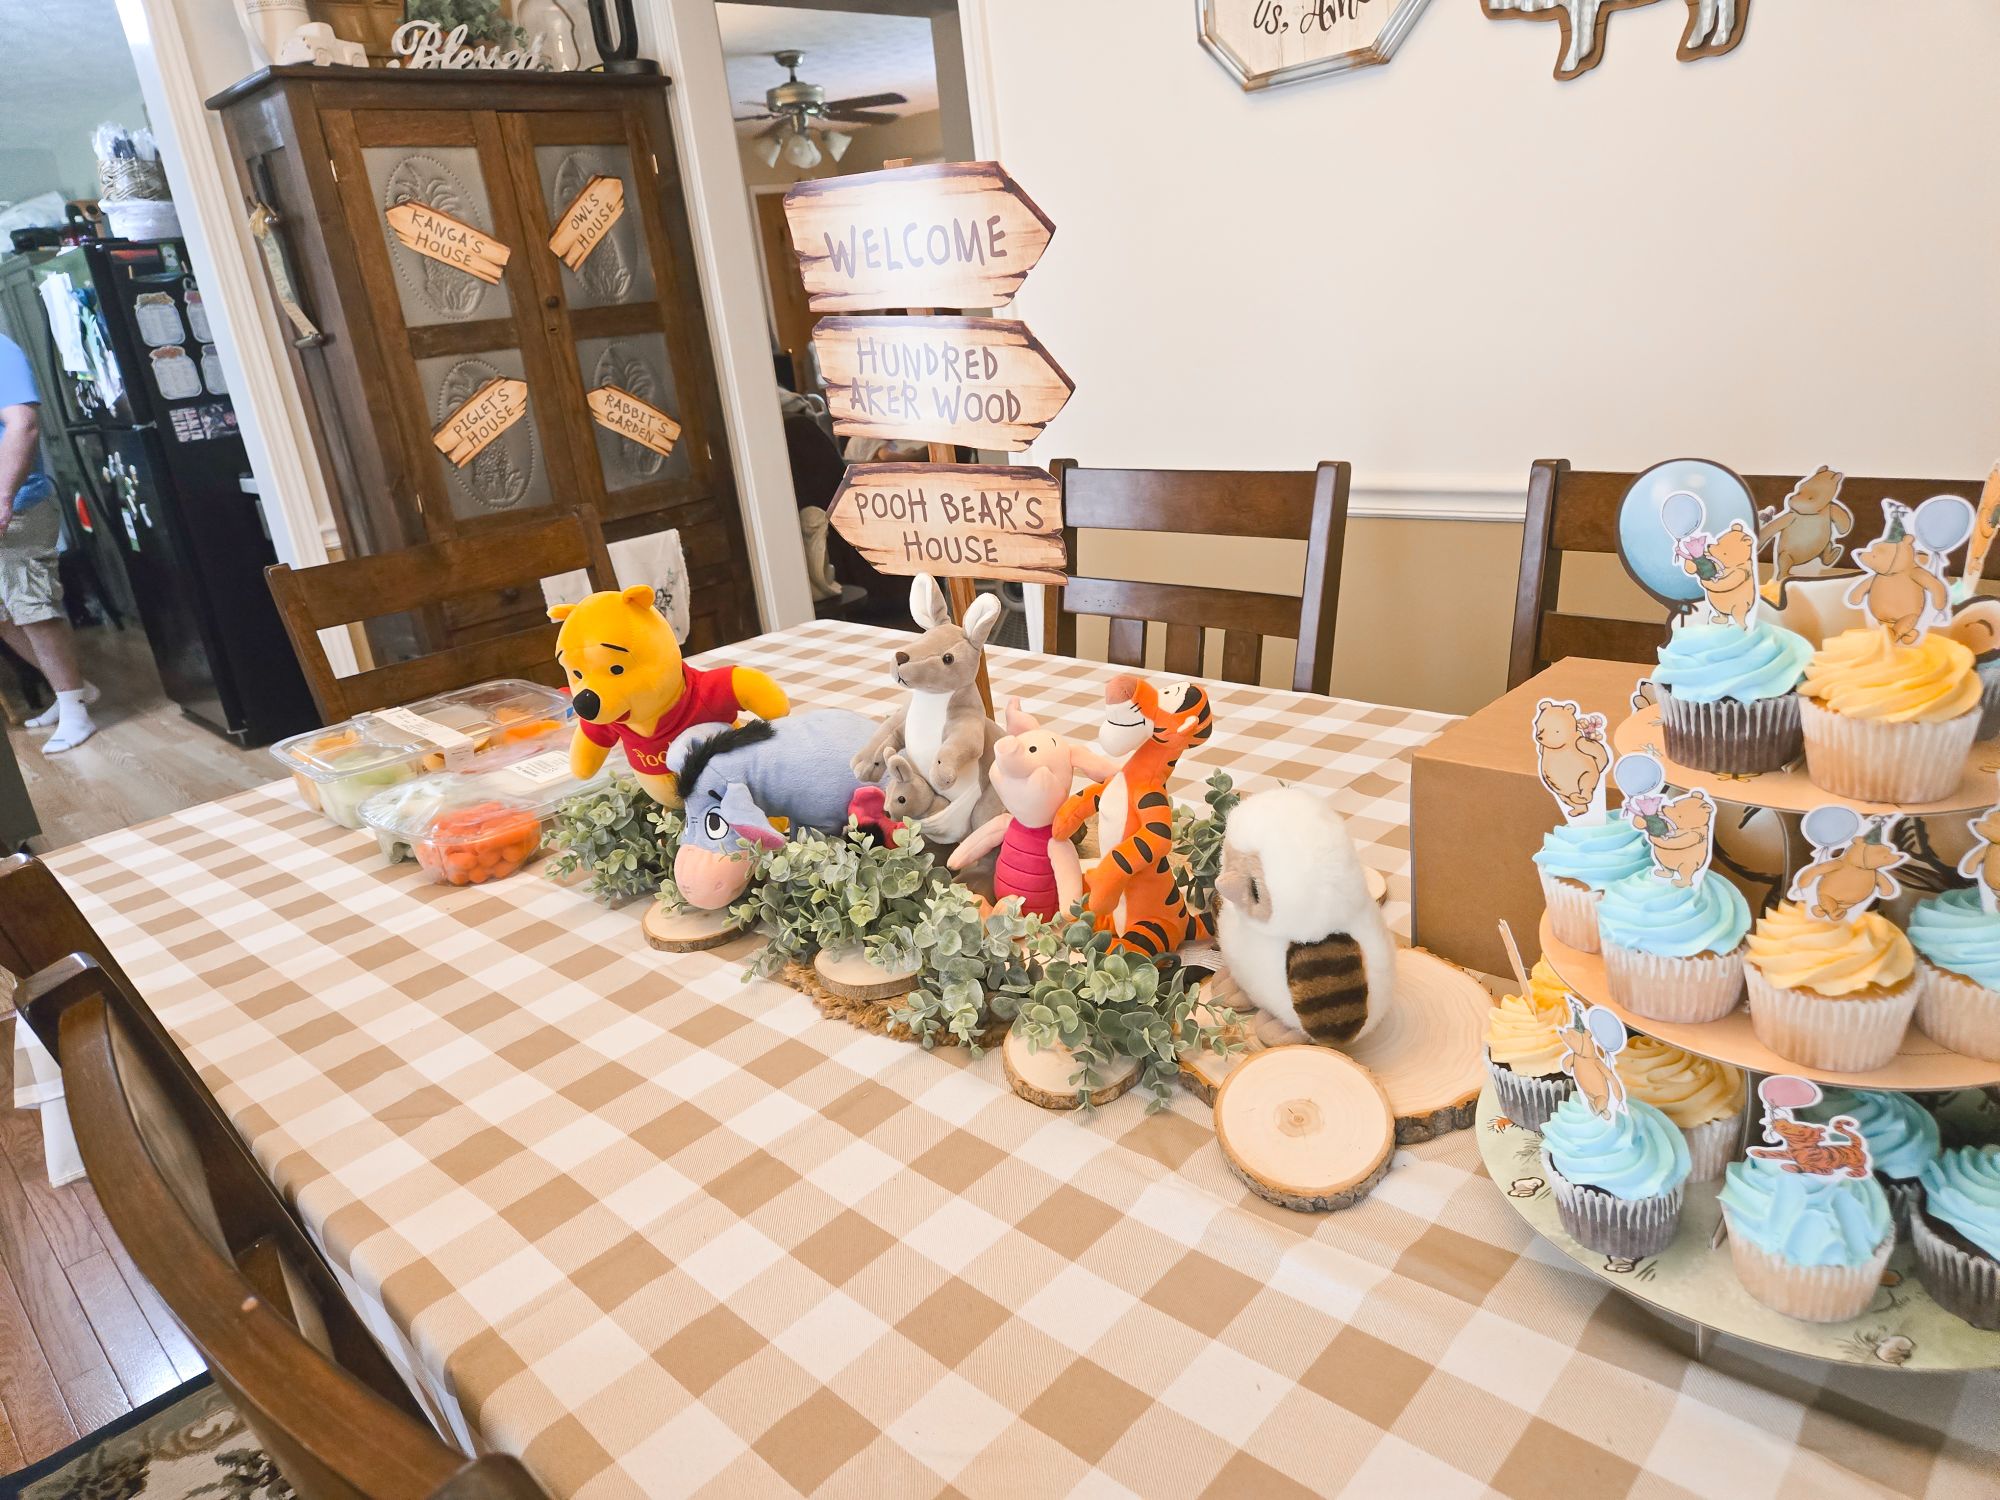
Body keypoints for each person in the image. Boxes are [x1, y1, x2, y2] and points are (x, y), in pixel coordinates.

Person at [0, 332, 96, 752]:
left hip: (17, 505)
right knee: (3, 614)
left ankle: (77, 712)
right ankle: (72, 691)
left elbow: (24, 423)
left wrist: (3, 497)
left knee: (31, 608)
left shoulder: (1, 350)